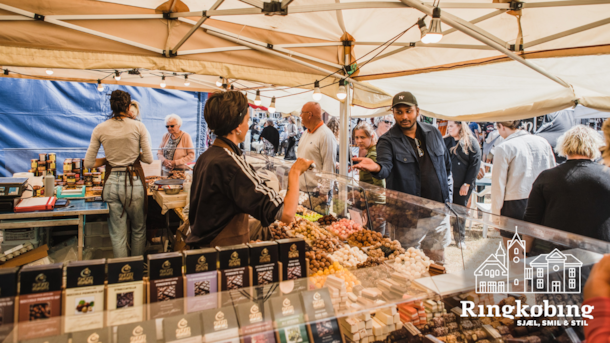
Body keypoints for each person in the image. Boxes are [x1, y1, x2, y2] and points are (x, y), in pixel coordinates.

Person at [187, 91, 313, 247]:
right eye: (247, 120)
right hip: (222, 254)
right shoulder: (231, 163)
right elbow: (286, 214)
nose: (248, 125)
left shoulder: (207, 156)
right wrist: (295, 172)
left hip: (202, 248)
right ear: (237, 126)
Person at [353, 92, 453, 262]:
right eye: (399, 112)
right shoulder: (387, 141)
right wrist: (377, 167)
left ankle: (435, 287)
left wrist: (447, 197)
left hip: (437, 211)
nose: (404, 116)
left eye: (408, 111)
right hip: (407, 216)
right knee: (405, 261)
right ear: (393, 113)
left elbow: (447, 167)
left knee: (437, 259)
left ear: (417, 111)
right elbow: (385, 167)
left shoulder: (434, 133)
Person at [84, 90, 153, 257]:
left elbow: (89, 163)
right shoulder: (138, 126)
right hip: (134, 182)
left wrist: (110, 159)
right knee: (138, 229)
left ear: (112, 107)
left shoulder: (100, 128)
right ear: (129, 106)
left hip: (112, 183)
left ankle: (122, 273)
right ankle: (136, 272)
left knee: (117, 234)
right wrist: (134, 154)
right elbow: (149, 159)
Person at [523, 125, 610, 241]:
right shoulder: (607, 175)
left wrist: (526, 252)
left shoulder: (546, 177)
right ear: (596, 146)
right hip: (600, 250)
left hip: (555, 249)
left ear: (564, 145)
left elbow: (531, 220)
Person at [491, 120, 555, 252]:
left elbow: (498, 185)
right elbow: (553, 172)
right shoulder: (542, 142)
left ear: (501, 127)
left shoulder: (504, 147)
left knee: (515, 255)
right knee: (536, 253)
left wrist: (496, 217)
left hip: (514, 204)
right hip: (541, 201)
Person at [444, 121, 481, 248]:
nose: (449, 129)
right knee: (445, 210)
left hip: (463, 184)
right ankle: (445, 236)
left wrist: (467, 184)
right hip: (447, 183)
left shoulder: (471, 142)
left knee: (459, 210)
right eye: (448, 126)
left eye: (451, 126)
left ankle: (460, 238)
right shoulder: (446, 141)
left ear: (460, 126)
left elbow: (475, 164)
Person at [297, 102, 337, 174]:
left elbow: (328, 171)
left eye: (302, 113)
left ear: (309, 115)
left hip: (315, 185)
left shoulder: (326, 135)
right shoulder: (305, 133)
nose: (300, 115)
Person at [353, 121, 384, 188]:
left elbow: (379, 187)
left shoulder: (373, 155)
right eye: (357, 137)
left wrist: (364, 195)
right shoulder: (370, 152)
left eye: (362, 137)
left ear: (371, 136)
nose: (359, 141)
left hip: (371, 198)